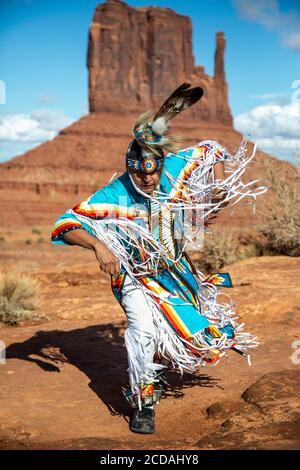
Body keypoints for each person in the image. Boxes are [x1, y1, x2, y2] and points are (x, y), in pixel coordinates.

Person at [51, 83, 267, 434]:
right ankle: (143, 401)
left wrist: (212, 198)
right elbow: (64, 224)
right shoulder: (115, 193)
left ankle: (155, 365)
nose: (148, 178)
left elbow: (209, 153)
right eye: (140, 172)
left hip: (176, 272)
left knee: (180, 330)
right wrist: (100, 247)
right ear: (129, 168)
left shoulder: (171, 168)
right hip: (133, 274)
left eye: (153, 171)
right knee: (142, 330)